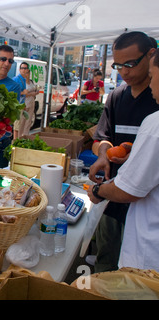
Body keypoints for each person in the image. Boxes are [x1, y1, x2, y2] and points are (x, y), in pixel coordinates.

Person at [88, 31, 158, 273]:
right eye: (118, 66)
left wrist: (134, 154)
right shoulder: (117, 96)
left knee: (136, 273)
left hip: (145, 206)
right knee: (106, 260)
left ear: (151, 55)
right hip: (113, 196)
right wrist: (104, 156)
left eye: (130, 64)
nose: (124, 72)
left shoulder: (156, 100)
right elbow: (102, 138)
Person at [0, 45, 21, 168]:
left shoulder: (14, 86)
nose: (7, 63)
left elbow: (9, 118)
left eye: (10, 61)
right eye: (3, 59)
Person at [12, 62, 40, 138]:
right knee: (19, 124)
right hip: (22, 104)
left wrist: (34, 93)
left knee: (28, 122)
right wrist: (29, 93)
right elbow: (13, 93)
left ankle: (25, 137)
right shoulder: (16, 80)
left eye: (26, 69)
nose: (25, 71)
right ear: (19, 69)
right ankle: (17, 140)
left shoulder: (30, 81)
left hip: (31, 103)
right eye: (23, 68)